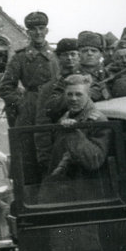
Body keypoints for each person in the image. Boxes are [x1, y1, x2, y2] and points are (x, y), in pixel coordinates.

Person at [0, 11, 58, 184]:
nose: (38, 33)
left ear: (46, 30)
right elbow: (5, 87)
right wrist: (22, 103)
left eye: (41, 28)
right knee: (27, 154)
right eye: (33, 29)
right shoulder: (20, 57)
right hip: (30, 111)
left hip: (53, 107)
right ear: (28, 32)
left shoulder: (56, 56)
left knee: (54, 150)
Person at [40, 74, 112, 202]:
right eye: (69, 94)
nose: (73, 99)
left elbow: (94, 160)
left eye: (79, 94)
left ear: (88, 95)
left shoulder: (97, 120)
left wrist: (73, 132)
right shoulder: (67, 116)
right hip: (64, 186)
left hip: (85, 191)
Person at [34, 38, 81, 174]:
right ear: (57, 57)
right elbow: (42, 123)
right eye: (65, 55)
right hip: (61, 148)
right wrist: (45, 156)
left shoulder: (89, 81)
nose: (70, 58)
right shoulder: (49, 88)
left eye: (73, 54)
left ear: (79, 56)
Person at [77, 31, 111, 100]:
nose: (89, 53)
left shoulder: (108, 73)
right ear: (79, 54)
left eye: (94, 51)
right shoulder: (70, 74)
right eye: (85, 51)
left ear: (101, 54)